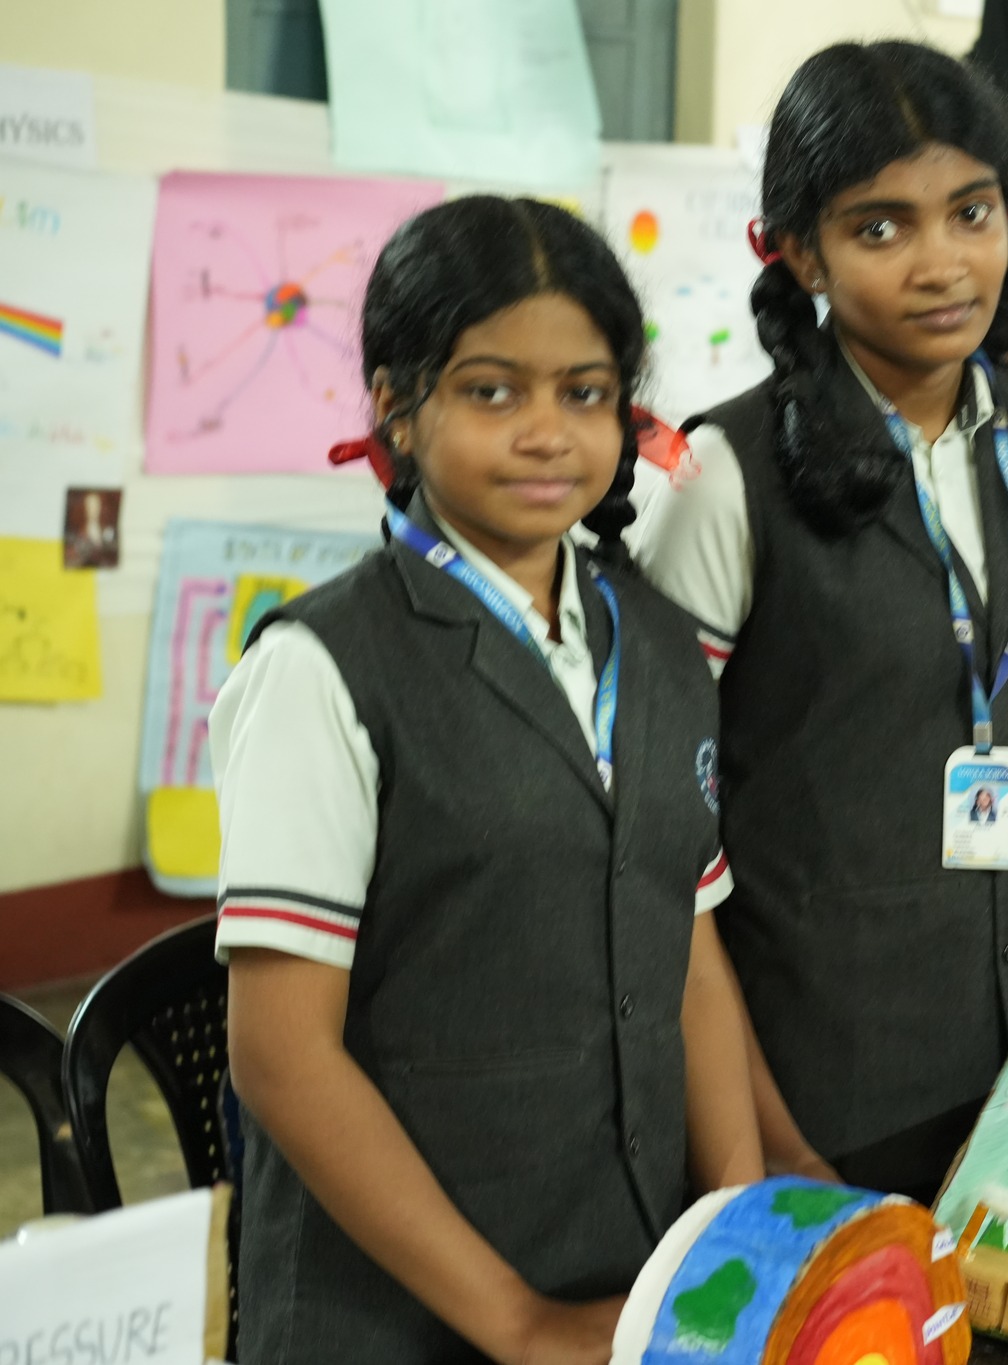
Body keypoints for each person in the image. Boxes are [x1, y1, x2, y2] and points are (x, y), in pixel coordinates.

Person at [633, 42, 1008, 1205]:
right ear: (802, 252)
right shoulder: (722, 474)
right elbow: (661, 853)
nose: (942, 264)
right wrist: (775, 1153)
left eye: (971, 214)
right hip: (817, 1098)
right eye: (881, 227)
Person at [216, 196, 763, 1364]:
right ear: (395, 407)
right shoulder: (321, 666)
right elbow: (279, 1055)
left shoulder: (658, 643)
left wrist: (739, 1239)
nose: (547, 434)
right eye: (491, 392)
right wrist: (515, 1320)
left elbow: (691, 959)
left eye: (585, 393)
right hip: (400, 1315)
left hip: (628, 1274)